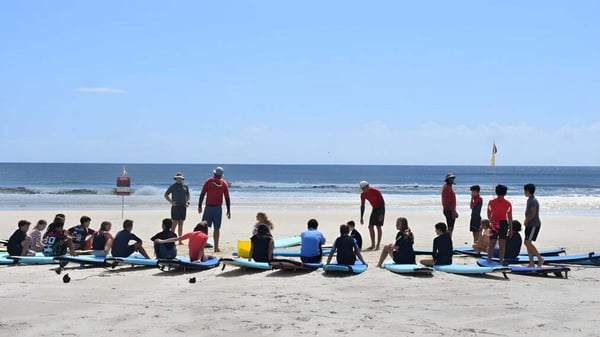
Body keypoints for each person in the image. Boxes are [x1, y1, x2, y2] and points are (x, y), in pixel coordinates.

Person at [198, 166, 231, 253]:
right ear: (221, 175)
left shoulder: (209, 181)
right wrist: (228, 209)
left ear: (214, 173)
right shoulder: (223, 183)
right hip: (217, 208)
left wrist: (199, 205)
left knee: (204, 227)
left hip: (209, 207)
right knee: (216, 228)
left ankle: (202, 245)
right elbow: (227, 198)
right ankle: (216, 247)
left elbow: (202, 194)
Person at [487, 184, 513, 265]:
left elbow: (488, 214)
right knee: (502, 245)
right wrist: (511, 229)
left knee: (491, 244)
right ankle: (501, 261)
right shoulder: (508, 203)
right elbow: (509, 217)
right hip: (503, 223)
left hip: (494, 223)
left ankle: (489, 260)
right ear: (505, 193)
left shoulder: (491, 202)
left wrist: (492, 222)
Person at [164, 172, 190, 245]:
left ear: (182, 179)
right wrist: (171, 202)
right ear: (176, 179)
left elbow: (188, 195)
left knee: (181, 224)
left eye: (181, 178)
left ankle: (180, 240)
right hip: (175, 207)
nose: (179, 180)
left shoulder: (185, 186)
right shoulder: (173, 186)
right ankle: (171, 240)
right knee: (174, 224)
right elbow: (166, 194)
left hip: (183, 207)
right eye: (178, 178)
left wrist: (187, 202)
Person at [359, 180, 385, 250]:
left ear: (367, 186)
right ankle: (373, 244)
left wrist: (381, 215)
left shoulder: (376, 191)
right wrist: (361, 217)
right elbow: (362, 206)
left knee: (378, 227)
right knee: (370, 227)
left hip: (380, 209)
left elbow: (382, 203)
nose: (362, 190)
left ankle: (378, 245)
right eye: (361, 189)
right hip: (374, 209)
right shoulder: (363, 195)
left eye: (363, 188)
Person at [523, 183, 544, 267]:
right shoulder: (529, 200)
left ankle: (540, 258)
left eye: (525, 191)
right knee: (527, 243)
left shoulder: (533, 201)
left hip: (534, 224)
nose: (524, 192)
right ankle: (531, 262)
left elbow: (533, 213)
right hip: (530, 224)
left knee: (527, 242)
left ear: (528, 191)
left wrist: (526, 220)